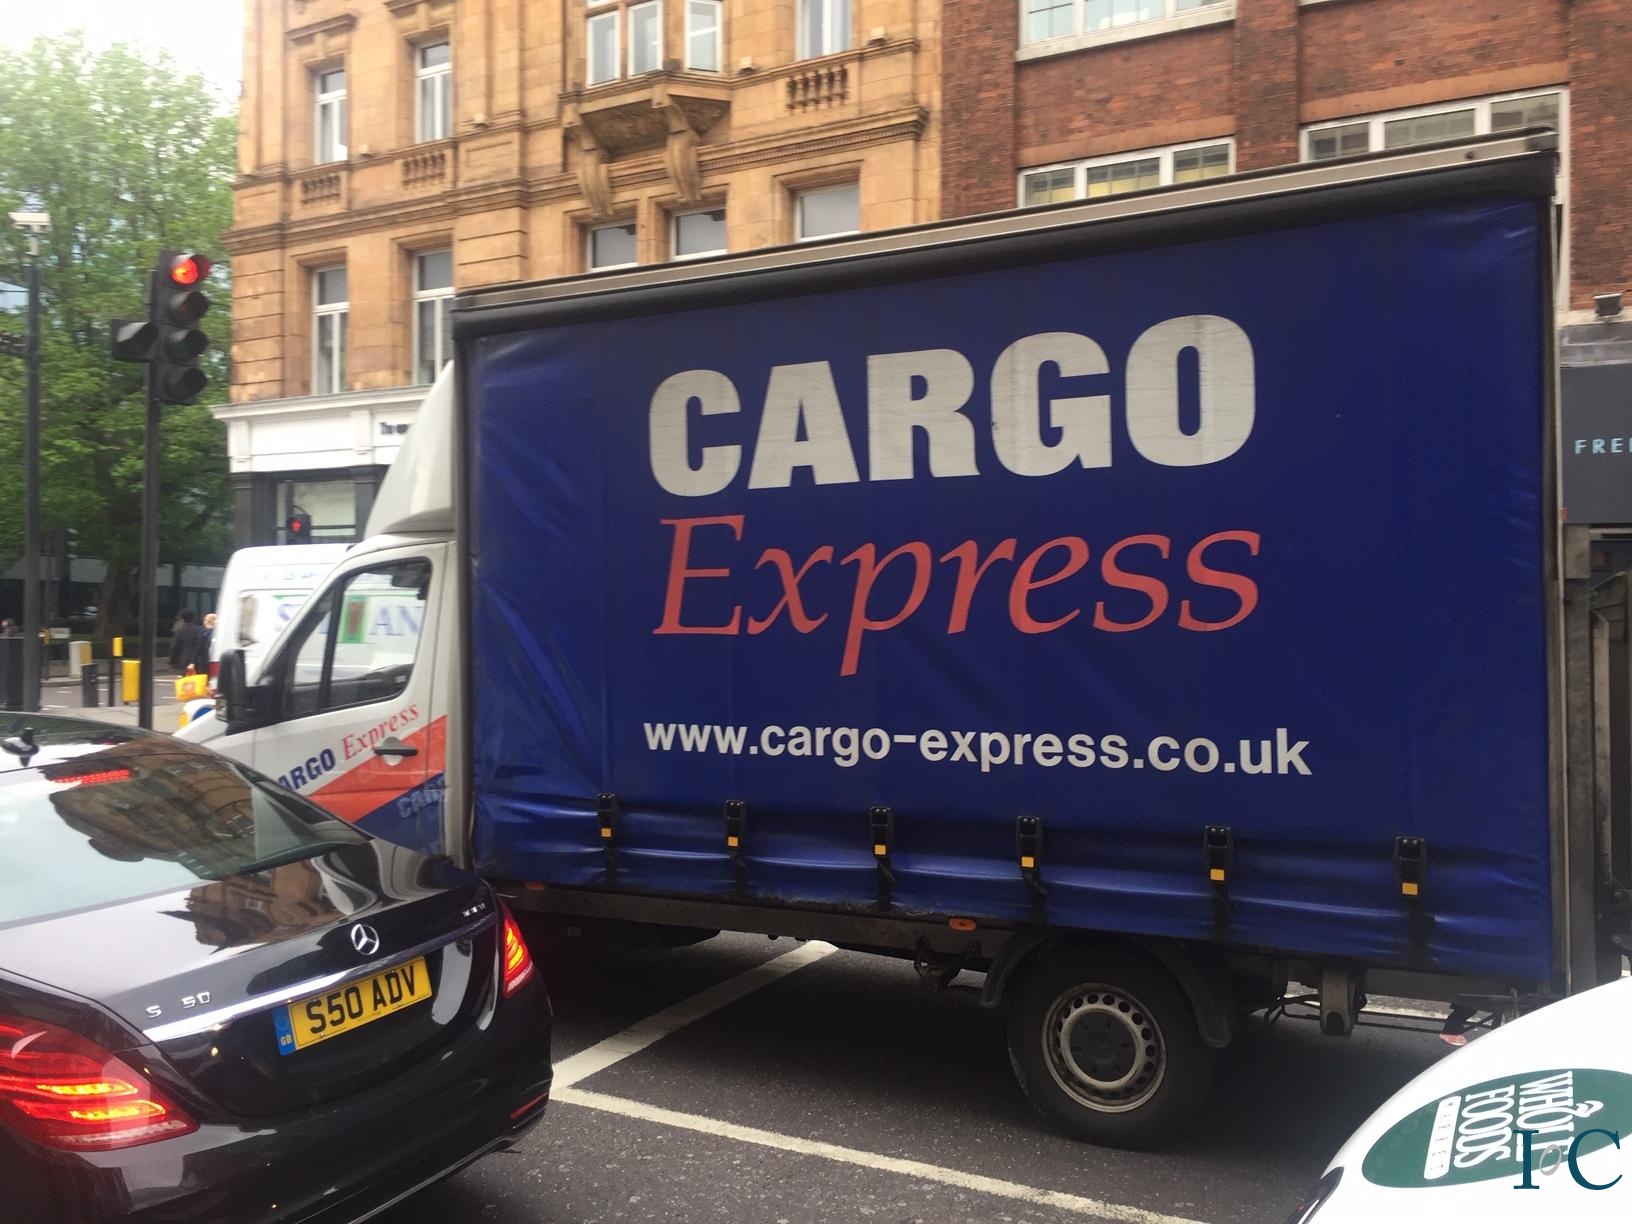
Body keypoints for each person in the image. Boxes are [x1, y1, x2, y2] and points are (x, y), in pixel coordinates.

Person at [169, 609, 204, 674]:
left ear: (182, 619)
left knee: (186, 678)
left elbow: (175, 647)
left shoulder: (179, 631)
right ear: (193, 618)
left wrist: (173, 661)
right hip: (199, 660)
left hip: (184, 660)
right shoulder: (200, 630)